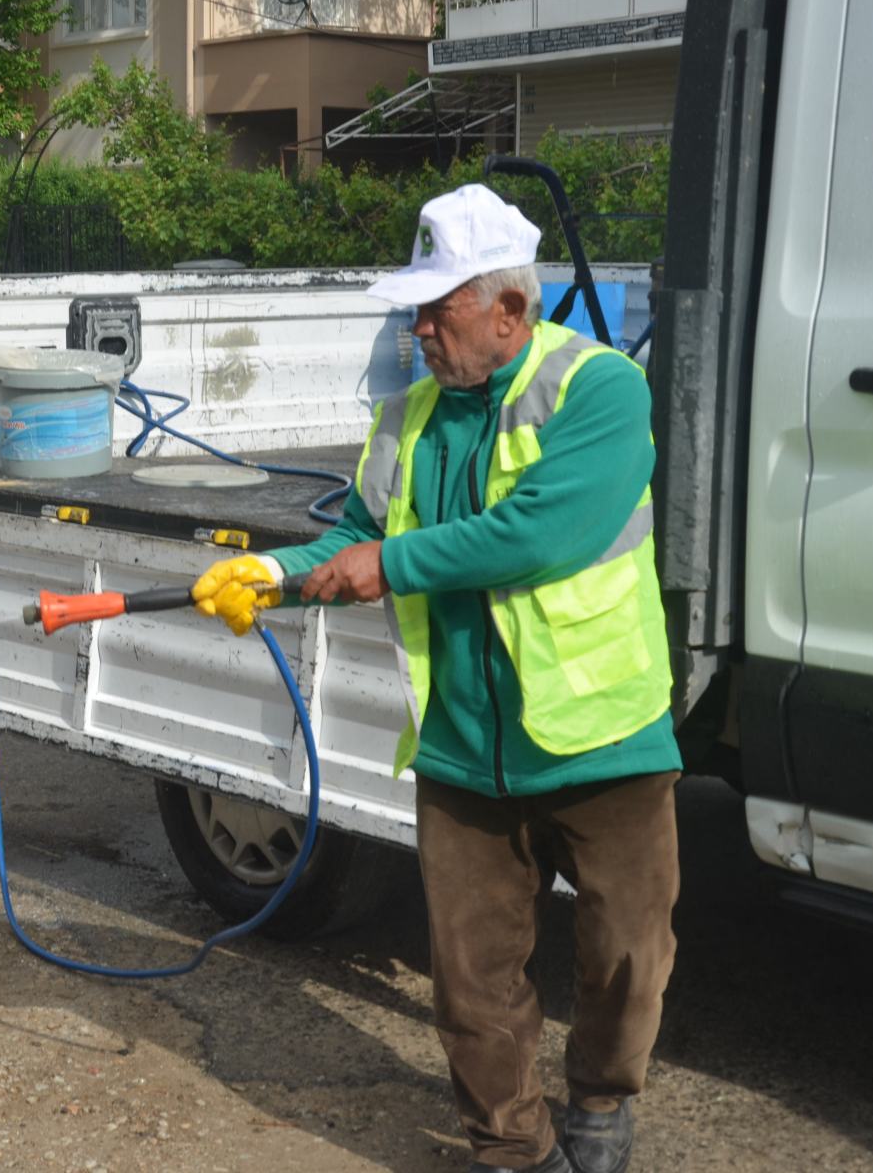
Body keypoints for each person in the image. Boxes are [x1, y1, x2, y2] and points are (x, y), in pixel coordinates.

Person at [191, 183, 680, 1173]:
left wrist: (390, 564)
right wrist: (276, 576)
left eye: (437, 308)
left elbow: (544, 533)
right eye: (412, 310)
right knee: (471, 984)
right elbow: (360, 538)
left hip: (603, 734)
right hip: (462, 743)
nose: (417, 330)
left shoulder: (600, 390)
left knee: (627, 957)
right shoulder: (407, 417)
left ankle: (599, 1098)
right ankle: (517, 1151)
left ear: (510, 307)